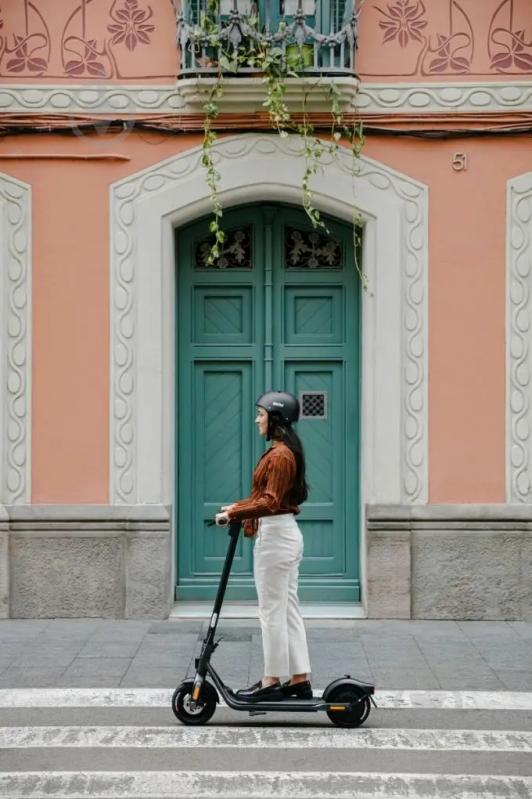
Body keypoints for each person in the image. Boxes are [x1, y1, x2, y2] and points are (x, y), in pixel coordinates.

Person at [215, 391, 312, 701]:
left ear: (276, 419)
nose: (257, 419)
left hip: (276, 539)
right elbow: (268, 499)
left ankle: (271, 680)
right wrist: (237, 506)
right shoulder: (281, 452)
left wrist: (234, 514)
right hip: (282, 535)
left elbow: (269, 503)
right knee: (287, 610)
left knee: (271, 612)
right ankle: (299, 678)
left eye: (261, 414)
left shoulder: (281, 455)